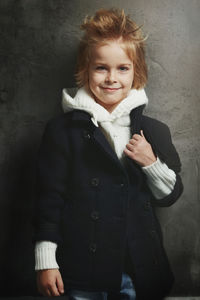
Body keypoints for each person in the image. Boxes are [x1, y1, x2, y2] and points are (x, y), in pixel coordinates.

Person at [34, 8, 183, 300]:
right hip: (81, 268)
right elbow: (47, 200)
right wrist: (45, 260)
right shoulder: (62, 131)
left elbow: (170, 195)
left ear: (136, 72)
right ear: (85, 70)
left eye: (123, 68)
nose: (111, 78)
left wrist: (151, 162)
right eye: (101, 67)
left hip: (138, 269)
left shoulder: (154, 131)